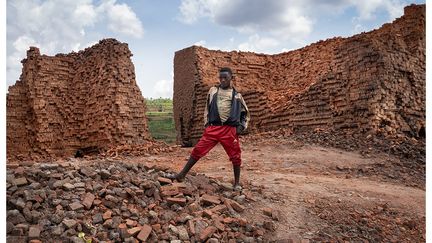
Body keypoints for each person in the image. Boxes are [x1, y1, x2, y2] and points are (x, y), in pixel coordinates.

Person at [167, 67, 250, 190]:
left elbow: (245, 113)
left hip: (229, 130)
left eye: (225, 78)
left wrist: (241, 127)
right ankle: (181, 175)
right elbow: (207, 108)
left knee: (235, 155)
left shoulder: (237, 96)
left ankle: (237, 182)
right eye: (220, 78)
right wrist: (207, 125)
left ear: (231, 78)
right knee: (198, 150)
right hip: (213, 128)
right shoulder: (213, 91)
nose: (222, 80)